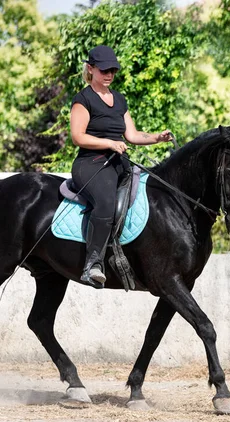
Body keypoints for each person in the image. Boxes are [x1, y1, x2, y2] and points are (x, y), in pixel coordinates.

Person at [70, 45, 172, 289]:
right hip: (90, 164)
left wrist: (157, 137)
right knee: (105, 203)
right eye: (104, 70)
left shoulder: (120, 100)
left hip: (117, 163)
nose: (109, 74)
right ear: (90, 69)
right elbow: (78, 136)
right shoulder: (83, 100)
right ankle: (92, 264)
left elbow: (133, 135)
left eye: (113, 70)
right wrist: (108, 143)